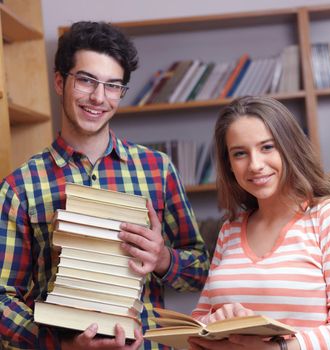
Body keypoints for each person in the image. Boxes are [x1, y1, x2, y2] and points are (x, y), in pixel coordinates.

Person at [0, 21, 209, 350]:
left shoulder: (158, 170)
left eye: (113, 86)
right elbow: (2, 299)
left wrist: (164, 259)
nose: (98, 98)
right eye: (86, 80)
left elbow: (200, 270)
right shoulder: (20, 187)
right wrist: (61, 346)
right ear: (59, 81)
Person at [189, 96, 330, 350]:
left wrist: (277, 349)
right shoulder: (229, 230)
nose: (255, 165)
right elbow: (198, 323)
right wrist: (215, 320)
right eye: (240, 153)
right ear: (229, 165)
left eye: (267, 147)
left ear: (289, 148)